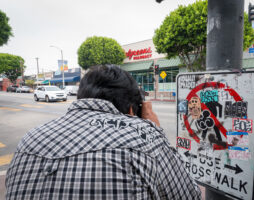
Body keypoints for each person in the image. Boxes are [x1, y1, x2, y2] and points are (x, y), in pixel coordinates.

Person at [5, 65, 202, 199]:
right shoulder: (144, 136)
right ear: (133, 110)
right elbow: (189, 195)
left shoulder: (29, 139)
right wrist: (154, 128)